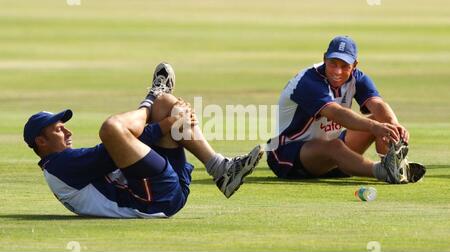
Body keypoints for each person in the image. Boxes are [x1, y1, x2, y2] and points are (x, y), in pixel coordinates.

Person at [23, 62, 263, 218]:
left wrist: (164, 120)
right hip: (150, 200)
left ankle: (221, 169)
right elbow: (116, 144)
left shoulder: (64, 164)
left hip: (159, 189)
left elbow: (125, 144)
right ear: (41, 142)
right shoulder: (59, 166)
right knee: (111, 128)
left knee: (165, 104)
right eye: (59, 130)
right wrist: (166, 125)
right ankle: (151, 97)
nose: (68, 133)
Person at [266, 35, 425, 183]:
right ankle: (384, 172)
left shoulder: (358, 78)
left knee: (381, 122)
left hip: (328, 153)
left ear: (355, 65)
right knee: (338, 145)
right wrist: (375, 127)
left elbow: (377, 104)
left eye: (344, 66)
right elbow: (336, 113)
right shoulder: (307, 81)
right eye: (333, 63)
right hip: (287, 155)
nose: (337, 71)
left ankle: (395, 164)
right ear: (324, 59)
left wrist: (394, 127)